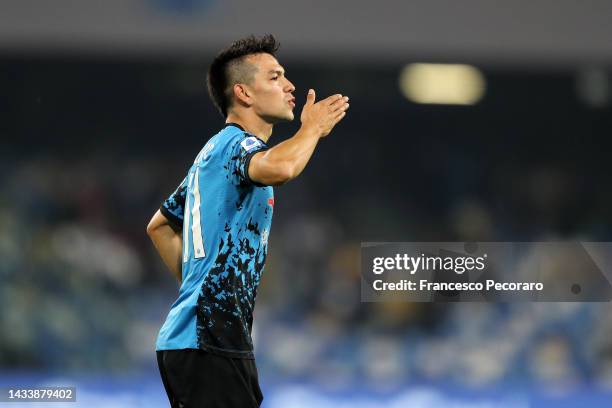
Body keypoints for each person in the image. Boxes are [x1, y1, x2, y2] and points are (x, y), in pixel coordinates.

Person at [146, 34, 349, 407]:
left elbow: (159, 225)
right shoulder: (235, 145)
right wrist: (312, 130)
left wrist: (199, 288)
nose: (289, 85)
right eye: (274, 77)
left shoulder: (210, 155)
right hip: (209, 342)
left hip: (208, 340)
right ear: (243, 93)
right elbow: (283, 167)